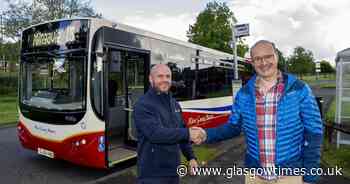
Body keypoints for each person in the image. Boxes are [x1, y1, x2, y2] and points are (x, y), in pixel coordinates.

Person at [190, 40, 323, 184]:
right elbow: (233, 127)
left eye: (268, 56)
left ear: (276, 56)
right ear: (252, 63)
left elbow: (314, 133)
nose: (264, 62)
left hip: (290, 174)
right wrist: (205, 134)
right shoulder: (244, 94)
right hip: (255, 176)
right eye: (258, 59)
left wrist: (310, 177)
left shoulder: (299, 89)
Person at [133, 64, 200, 184]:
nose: (165, 80)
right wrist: (188, 133)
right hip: (152, 175)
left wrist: (191, 157)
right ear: (151, 79)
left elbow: (181, 132)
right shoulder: (142, 105)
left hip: (173, 171)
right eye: (160, 76)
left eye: (168, 76)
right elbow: (155, 134)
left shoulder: (174, 104)